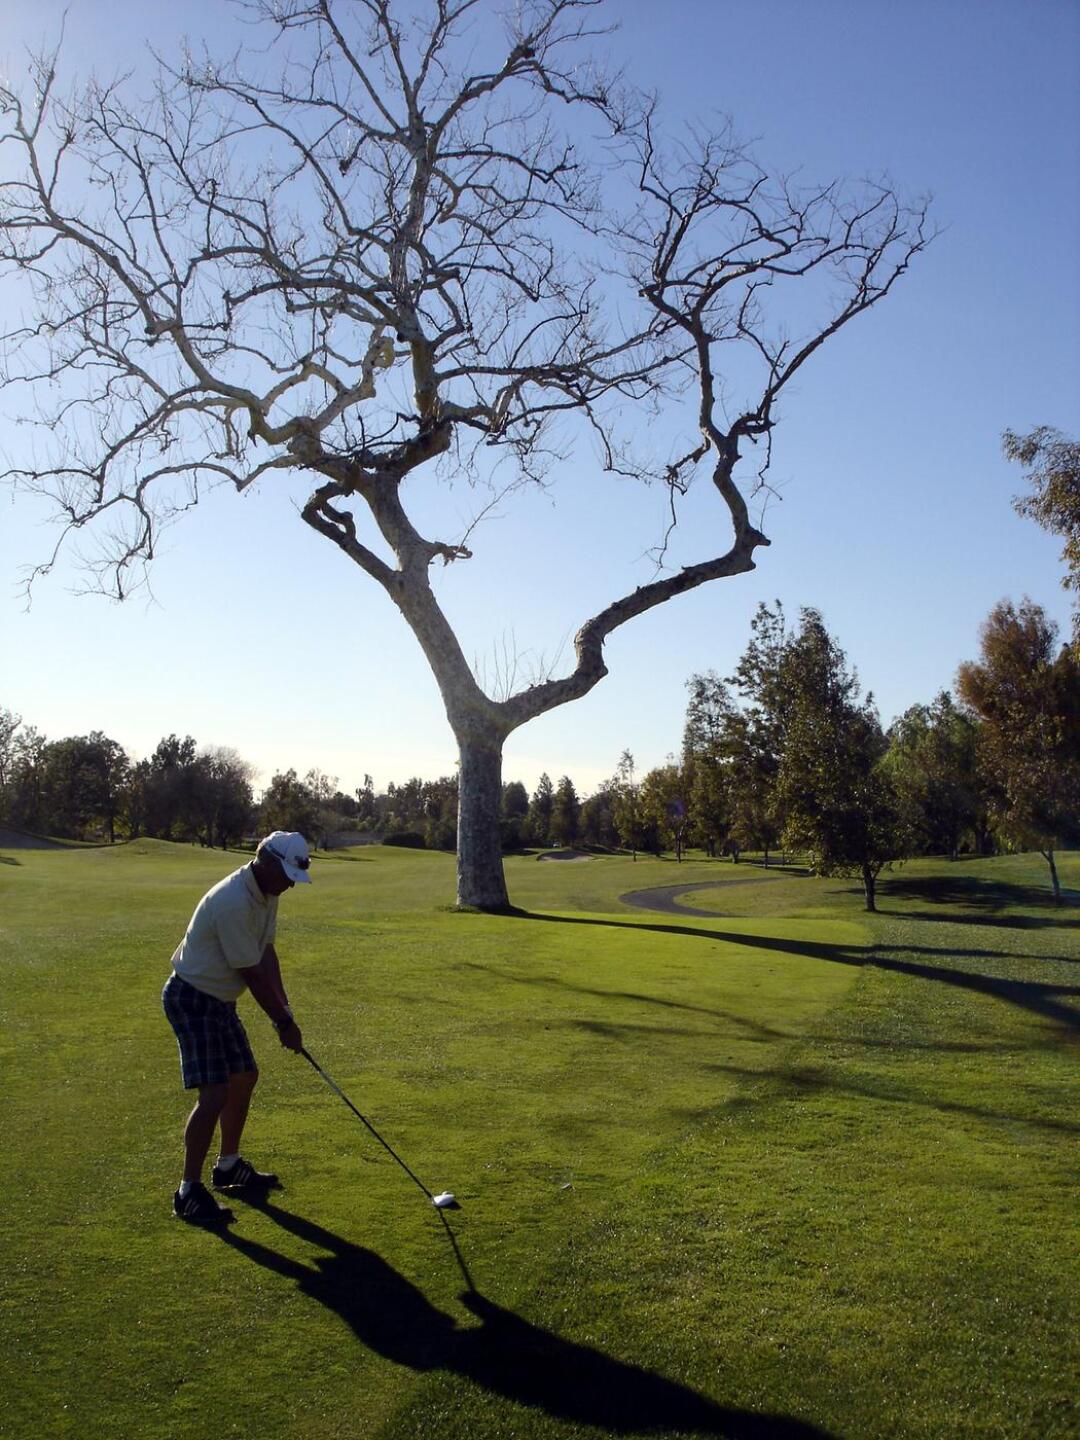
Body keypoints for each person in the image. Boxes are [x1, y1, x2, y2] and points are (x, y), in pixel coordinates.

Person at [162, 830, 312, 1224]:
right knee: (214, 1093)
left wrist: (287, 1012)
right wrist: (281, 1023)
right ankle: (188, 1191)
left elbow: (266, 954)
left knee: (244, 1075)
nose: (289, 886)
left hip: (219, 1000)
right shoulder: (232, 900)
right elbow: (251, 973)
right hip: (192, 998)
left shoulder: (268, 893)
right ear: (265, 862)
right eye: (286, 875)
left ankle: (228, 1166)